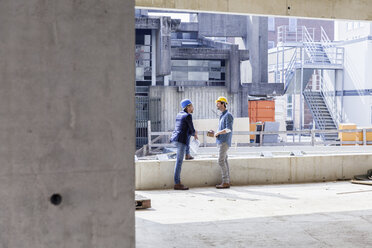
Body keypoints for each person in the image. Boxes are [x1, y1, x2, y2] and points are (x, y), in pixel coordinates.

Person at [170, 99, 198, 190]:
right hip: (181, 140)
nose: (193, 108)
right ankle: (177, 183)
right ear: (188, 107)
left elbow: (187, 129)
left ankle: (188, 154)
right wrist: (195, 133)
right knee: (179, 162)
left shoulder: (179, 114)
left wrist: (192, 132)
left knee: (189, 133)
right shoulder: (188, 116)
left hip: (176, 138)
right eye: (192, 106)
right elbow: (192, 129)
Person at [212, 96, 234, 189]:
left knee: (221, 161)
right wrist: (216, 133)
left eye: (218, 103)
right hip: (221, 140)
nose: (217, 105)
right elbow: (222, 129)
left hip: (224, 141)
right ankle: (227, 181)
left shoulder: (228, 115)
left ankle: (225, 182)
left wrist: (218, 133)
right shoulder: (222, 116)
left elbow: (228, 129)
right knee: (224, 160)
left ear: (223, 104)